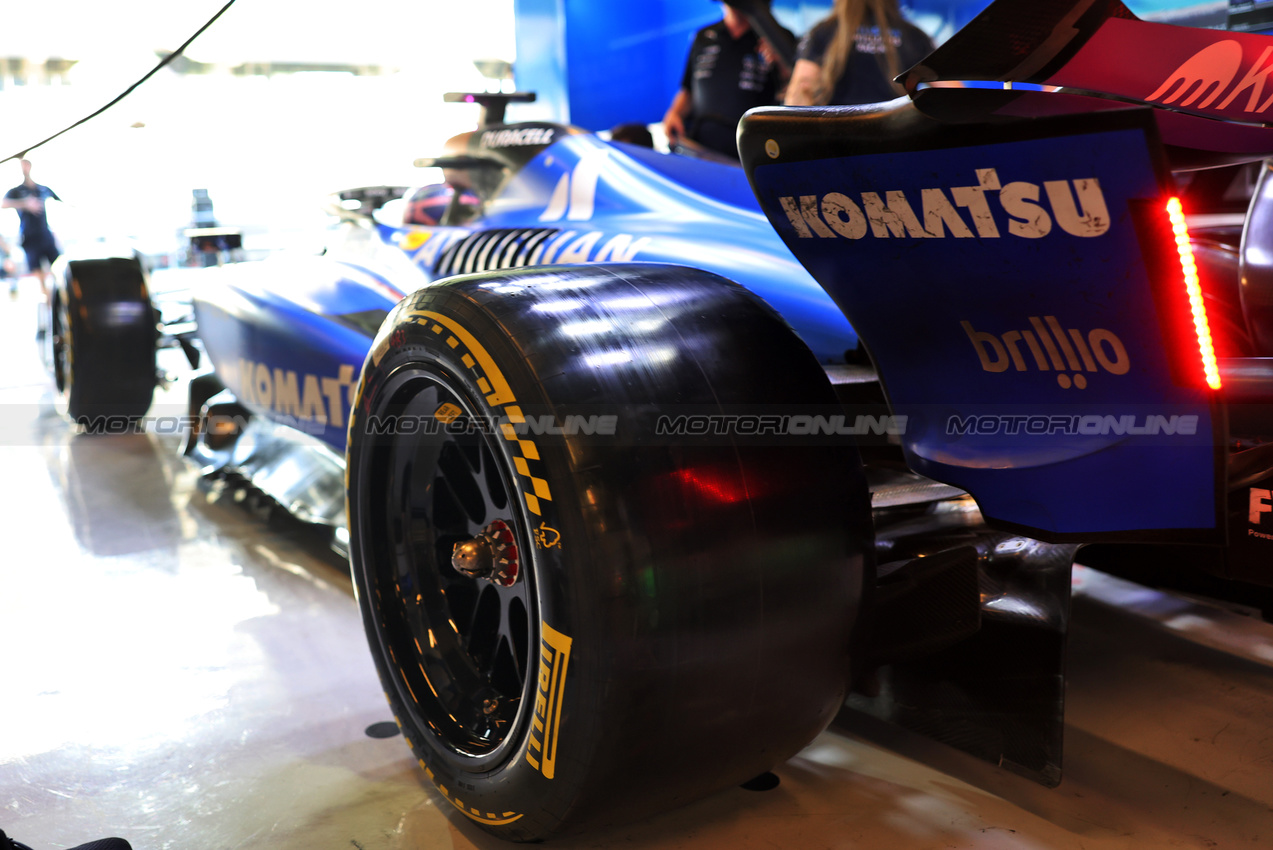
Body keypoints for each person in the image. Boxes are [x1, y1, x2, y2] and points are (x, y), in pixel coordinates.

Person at [663, 2, 793, 159]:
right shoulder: (703, 36)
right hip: (699, 149)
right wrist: (674, 113)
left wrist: (782, 63)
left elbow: (795, 94)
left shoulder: (779, 38)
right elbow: (688, 90)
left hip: (749, 155)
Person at [785, 0, 934, 107]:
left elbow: (802, 86)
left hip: (838, 133)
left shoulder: (823, 31)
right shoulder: (915, 36)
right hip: (894, 131)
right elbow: (946, 87)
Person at [2, 159, 61, 296]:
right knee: (38, 274)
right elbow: (3, 203)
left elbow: (60, 201)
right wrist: (26, 204)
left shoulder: (42, 189)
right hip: (29, 237)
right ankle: (47, 300)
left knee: (58, 268)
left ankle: (60, 297)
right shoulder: (16, 191)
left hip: (45, 235)